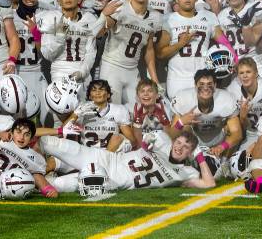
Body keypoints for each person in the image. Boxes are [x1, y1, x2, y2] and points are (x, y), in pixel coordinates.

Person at [39, 128, 216, 193]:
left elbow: (209, 184)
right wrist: (145, 141)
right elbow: (140, 139)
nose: (179, 147)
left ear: (191, 152)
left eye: (186, 147)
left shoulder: (186, 173)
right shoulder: (161, 140)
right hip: (109, 158)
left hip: (113, 180)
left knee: (58, 184)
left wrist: (199, 155)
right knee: (53, 143)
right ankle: (17, 150)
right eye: (178, 142)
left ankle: (23, 180)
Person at [38, 0, 115, 91]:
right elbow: (48, 55)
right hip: (60, 71)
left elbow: (90, 52)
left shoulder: (89, 18)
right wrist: (62, 30)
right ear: (59, 1)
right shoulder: (51, 17)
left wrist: (82, 72)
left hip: (83, 72)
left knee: (84, 107)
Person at [99, 0, 161, 103]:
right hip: (112, 67)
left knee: (138, 111)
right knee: (113, 111)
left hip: (132, 70)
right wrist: (105, 16)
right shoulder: (119, 7)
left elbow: (149, 50)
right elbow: (100, 33)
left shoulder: (155, 17)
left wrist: (155, 80)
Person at [168, 69, 242, 164]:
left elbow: (237, 133)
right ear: (195, 86)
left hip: (218, 138)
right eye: (201, 84)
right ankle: (186, 160)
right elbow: (172, 135)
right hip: (193, 139)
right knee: (185, 127)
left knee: (230, 127)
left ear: (215, 86)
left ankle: (224, 163)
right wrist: (181, 122)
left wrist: (222, 146)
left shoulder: (226, 99)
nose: (206, 88)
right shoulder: (183, 99)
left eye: (209, 84)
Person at [55, 80, 134, 152]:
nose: (97, 92)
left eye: (101, 89)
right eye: (94, 90)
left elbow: (132, 140)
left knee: (118, 138)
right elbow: (63, 131)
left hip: (110, 153)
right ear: (89, 96)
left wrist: (124, 145)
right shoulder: (82, 109)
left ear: (108, 95)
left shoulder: (118, 110)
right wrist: (76, 113)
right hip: (87, 153)